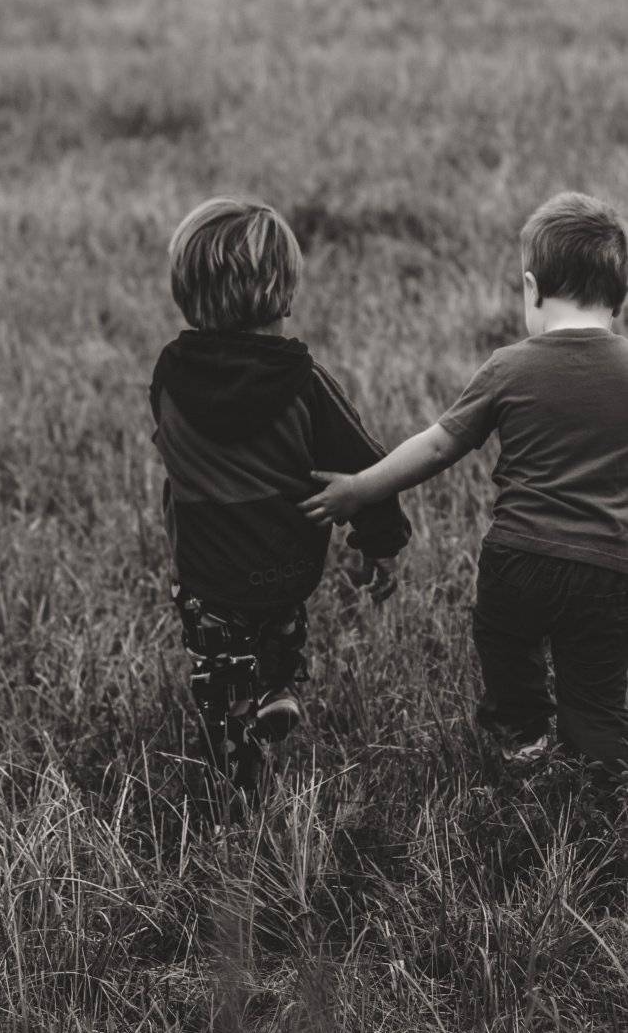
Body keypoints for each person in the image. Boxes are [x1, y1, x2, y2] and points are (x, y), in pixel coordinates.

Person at [301, 192, 628, 776]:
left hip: (517, 559)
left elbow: (435, 446)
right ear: (619, 300)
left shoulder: (508, 366)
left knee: (505, 645)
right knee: (599, 679)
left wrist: (359, 489)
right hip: (607, 568)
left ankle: (520, 736)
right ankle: (597, 761)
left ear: (533, 288)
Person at [150, 196, 411, 815]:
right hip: (287, 565)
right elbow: (367, 466)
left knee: (222, 678)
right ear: (284, 293)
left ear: (187, 293)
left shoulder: (170, 375)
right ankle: (280, 685)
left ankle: (239, 771)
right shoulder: (304, 382)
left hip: (209, 575)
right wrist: (381, 542)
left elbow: (168, 448)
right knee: (280, 626)